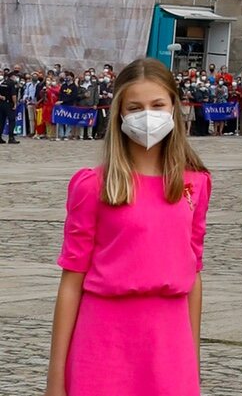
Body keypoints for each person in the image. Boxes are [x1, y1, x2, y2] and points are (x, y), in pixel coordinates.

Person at [44, 58, 210, 396]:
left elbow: (193, 276)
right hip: (104, 342)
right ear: (120, 113)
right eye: (135, 107)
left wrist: (192, 363)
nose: (146, 115)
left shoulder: (195, 184)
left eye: (157, 105)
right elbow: (71, 282)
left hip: (169, 343)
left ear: (174, 108)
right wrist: (55, 379)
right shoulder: (94, 186)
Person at [56, 71, 78, 141]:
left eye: (69, 76)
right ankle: (61, 134)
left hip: (70, 105)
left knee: (69, 121)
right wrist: (60, 101)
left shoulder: (74, 87)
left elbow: (73, 97)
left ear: (72, 77)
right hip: (62, 106)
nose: (67, 77)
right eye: (66, 76)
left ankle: (67, 135)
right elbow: (60, 94)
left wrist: (63, 101)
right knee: (61, 120)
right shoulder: (63, 86)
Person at [0, 70, 20, 144]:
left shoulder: (2, 83)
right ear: (12, 76)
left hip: (1, 104)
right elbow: (13, 95)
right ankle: (11, 138)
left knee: (1, 121)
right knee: (12, 120)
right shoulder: (12, 83)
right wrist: (15, 104)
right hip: (9, 104)